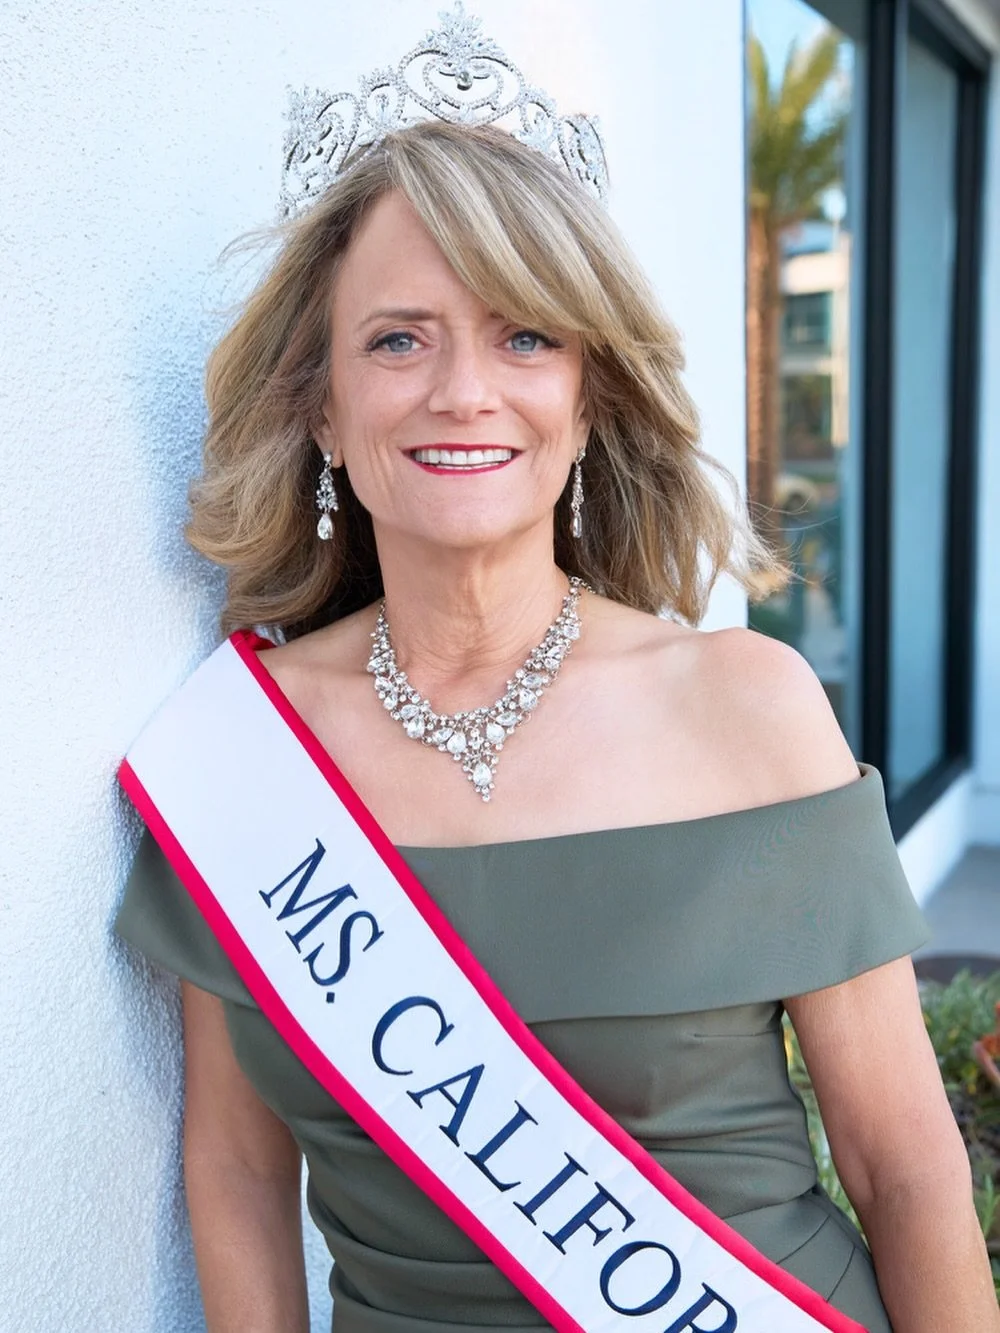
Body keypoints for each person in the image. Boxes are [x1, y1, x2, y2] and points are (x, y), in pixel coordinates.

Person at [115, 64, 997, 1333]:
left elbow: (906, 1172)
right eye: (398, 338)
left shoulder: (747, 708)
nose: (463, 391)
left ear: (585, 400)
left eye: (525, 334)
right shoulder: (243, 756)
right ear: (321, 404)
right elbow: (241, 1173)